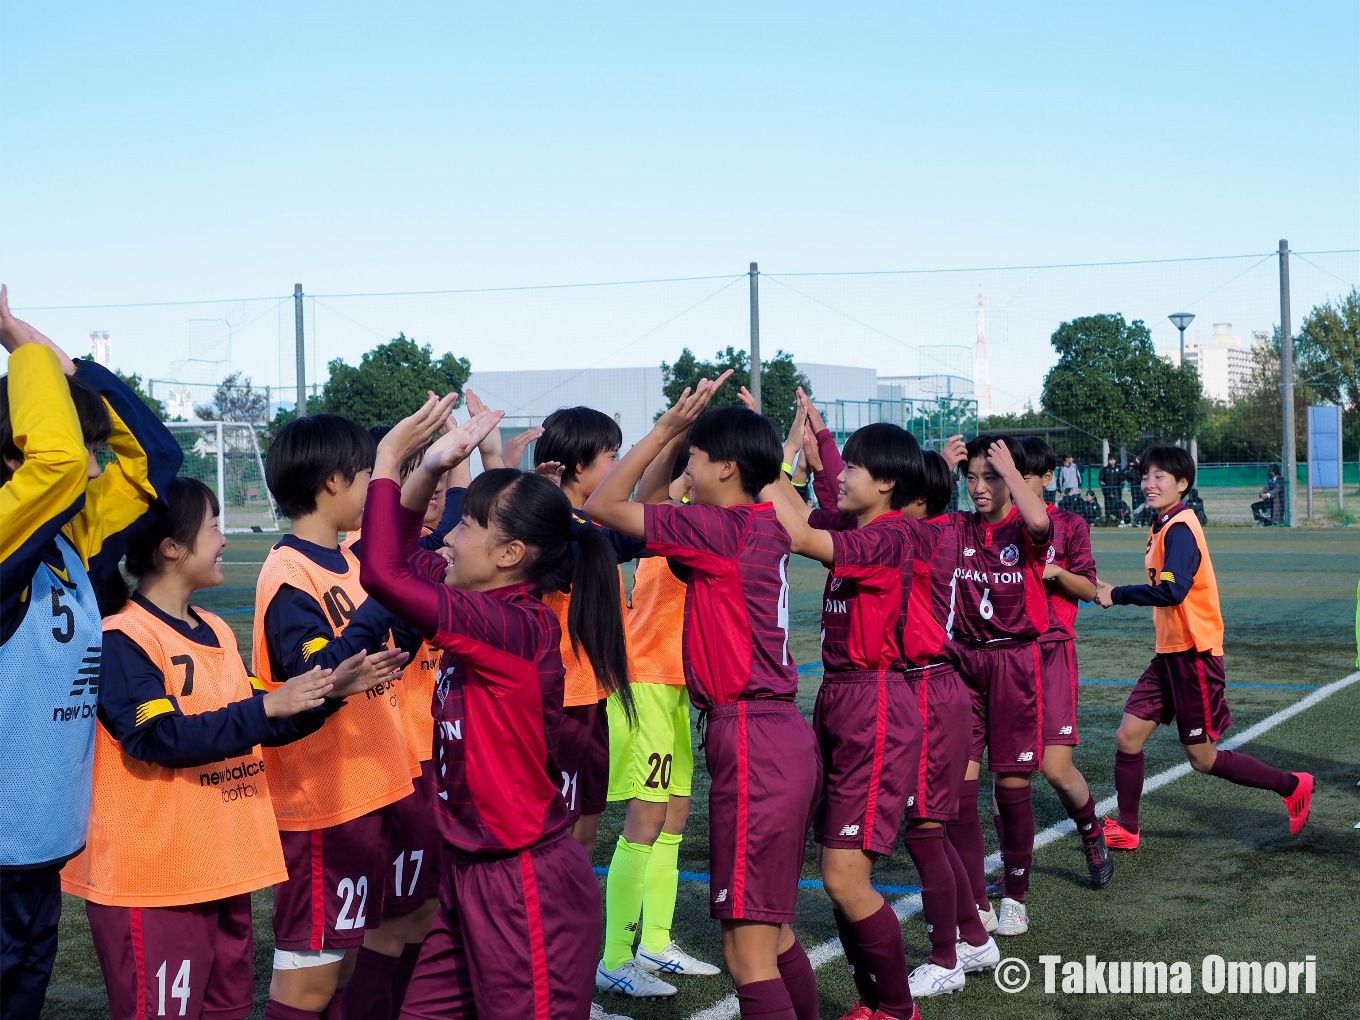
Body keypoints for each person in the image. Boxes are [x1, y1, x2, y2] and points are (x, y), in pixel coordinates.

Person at [62, 478, 381, 1020]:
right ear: (171, 547)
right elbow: (158, 738)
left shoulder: (214, 630)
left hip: (222, 865)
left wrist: (324, 696)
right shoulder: (123, 637)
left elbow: (262, 723)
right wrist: (269, 708)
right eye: (213, 525)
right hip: (154, 879)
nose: (224, 539)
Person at [359, 394, 619, 1020]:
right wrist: (425, 472)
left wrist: (390, 459)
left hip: (522, 882)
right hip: (470, 875)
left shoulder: (508, 625)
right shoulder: (481, 605)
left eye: (469, 526)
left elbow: (379, 575)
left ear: (510, 556)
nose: (449, 537)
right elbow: (396, 559)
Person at [584, 379, 824, 1020]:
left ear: (724, 467)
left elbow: (607, 504)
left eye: (695, 454)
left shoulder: (717, 530)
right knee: (774, 931)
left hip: (752, 733)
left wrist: (663, 431)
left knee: (748, 954)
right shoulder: (766, 522)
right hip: (777, 731)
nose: (686, 464)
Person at [0, 286, 182, 1020]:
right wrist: (27, 355)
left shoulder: (70, 546)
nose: (90, 467)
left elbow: (154, 461)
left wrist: (59, 359)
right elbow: (60, 466)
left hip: (38, 845)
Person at [253, 414, 413, 1020]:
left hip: (363, 790)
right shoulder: (289, 577)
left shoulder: (347, 557)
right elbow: (319, 679)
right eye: (367, 474)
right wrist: (386, 596)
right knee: (308, 982)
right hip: (321, 802)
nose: (373, 487)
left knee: (342, 967)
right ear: (331, 482)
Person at [1095, 446, 1314, 849]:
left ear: (1182, 484)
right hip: (1169, 655)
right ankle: (1128, 829)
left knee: (1203, 759)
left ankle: (1292, 785)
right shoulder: (1162, 525)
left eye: (1161, 476)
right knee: (1128, 738)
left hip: (1194, 656)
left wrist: (1118, 594)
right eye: (1146, 476)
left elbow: (1173, 590)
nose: (1149, 483)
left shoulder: (1180, 527)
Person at [600, 439, 720, 998]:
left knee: (675, 817)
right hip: (646, 683)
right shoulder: (670, 523)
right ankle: (615, 957)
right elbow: (650, 498)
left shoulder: (704, 523)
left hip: (676, 687)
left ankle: (655, 940)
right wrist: (675, 447)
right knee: (645, 821)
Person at [943, 434, 1052, 940]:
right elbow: (915, 519)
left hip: (1014, 665)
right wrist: (946, 469)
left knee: (1010, 788)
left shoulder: (1022, 529)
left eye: (990, 477)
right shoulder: (959, 526)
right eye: (972, 478)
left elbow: (1039, 522)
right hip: (964, 663)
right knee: (959, 792)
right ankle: (978, 902)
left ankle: (1015, 897)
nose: (978, 488)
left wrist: (1010, 471)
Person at [530, 405, 640, 864]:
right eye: (611, 457)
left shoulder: (595, 524)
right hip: (560, 701)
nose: (616, 468)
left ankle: (571, 929)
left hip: (592, 696)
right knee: (558, 838)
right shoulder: (554, 532)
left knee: (585, 837)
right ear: (579, 466)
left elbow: (636, 535)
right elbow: (600, 545)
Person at [1009, 438, 1113, 887]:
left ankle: (1092, 833)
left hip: (1051, 652)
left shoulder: (1070, 525)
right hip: (1005, 658)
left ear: (1046, 478)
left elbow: (1091, 589)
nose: (1012, 486)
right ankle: (1014, 879)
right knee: (1008, 780)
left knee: (1055, 769)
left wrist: (1056, 573)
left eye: (1022, 477)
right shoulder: (995, 525)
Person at [1098, 454, 1124, 521]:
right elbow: (1101, 480)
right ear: (1108, 460)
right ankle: (1108, 519)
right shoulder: (1105, 470)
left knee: (1118, 504)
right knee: (1108, 505)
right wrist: (1107, 490)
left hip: (1117, 492)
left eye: (1113, 459)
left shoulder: (1119, 469)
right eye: (1110, 459)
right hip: (1107, 493)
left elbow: (1122, 480)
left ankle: (1119, 519)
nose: (1112, 461)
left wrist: (1118, 489)